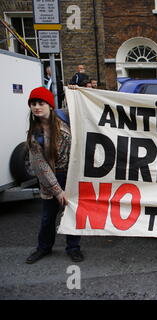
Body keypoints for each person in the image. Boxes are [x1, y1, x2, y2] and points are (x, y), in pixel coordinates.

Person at [25, 86, 84, 264]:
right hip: (51, 178)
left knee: (73, 213)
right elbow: (41, 167)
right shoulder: (34, 135)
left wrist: (76, 91)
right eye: (33, 104)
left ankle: (73, 248)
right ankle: (43, 248)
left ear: (50, 105)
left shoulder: (64, 117)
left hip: (72, 174)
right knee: (48, 217)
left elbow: (82, 107)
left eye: (40, 103)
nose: (36, 107)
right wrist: (57, 191)